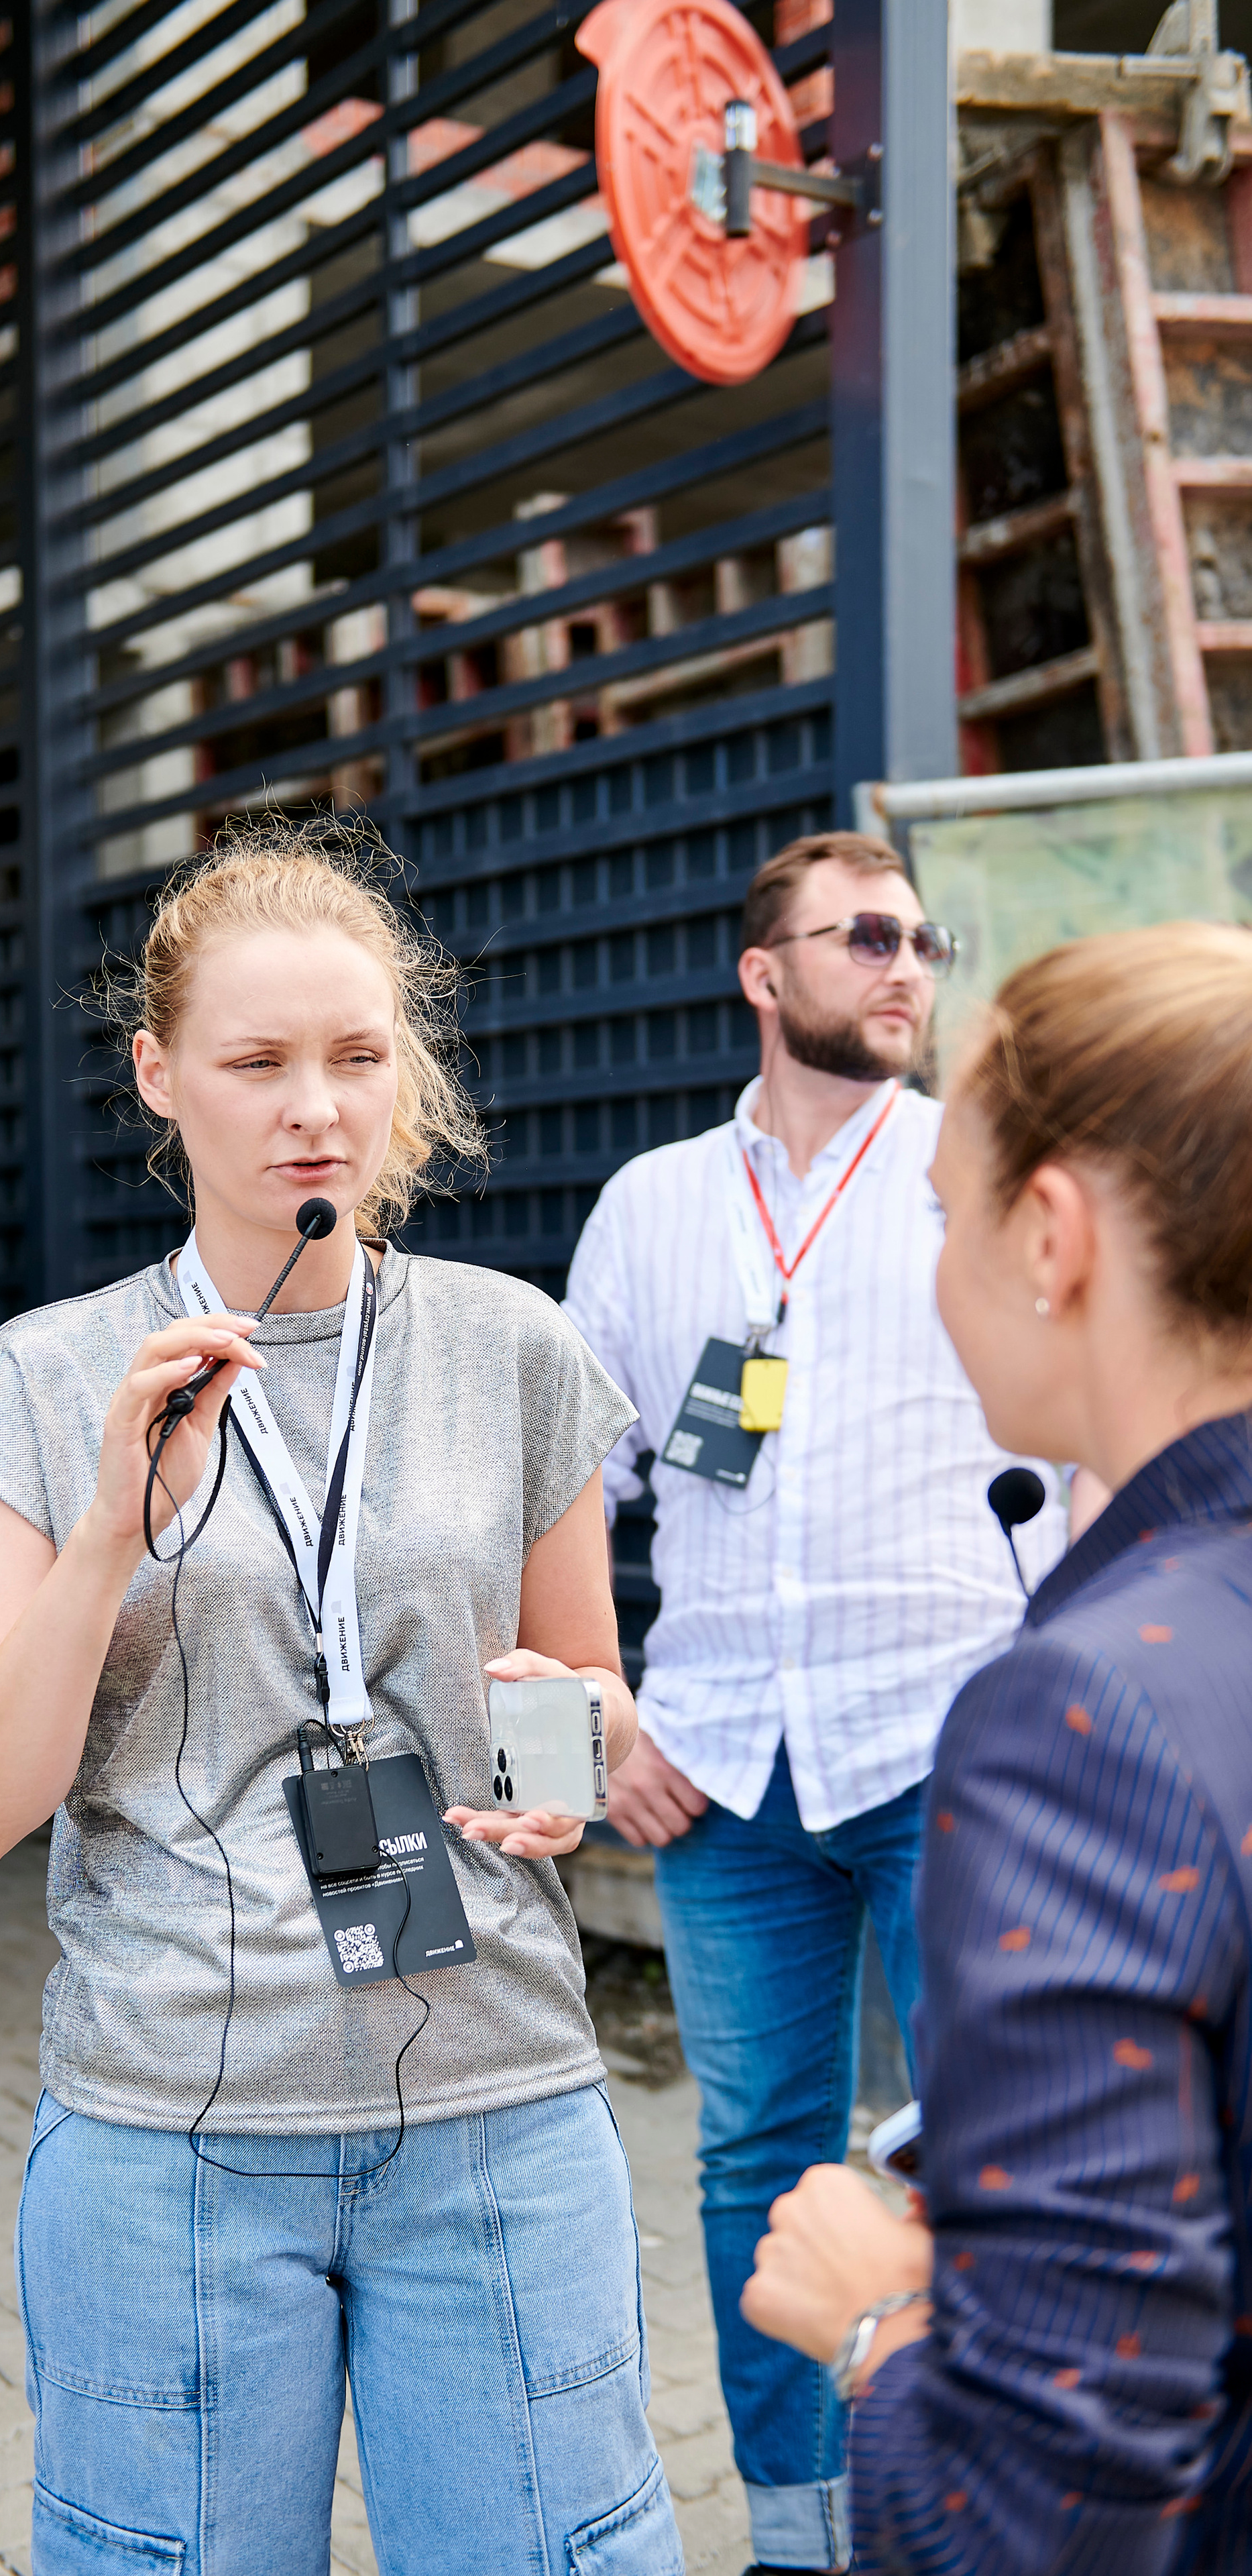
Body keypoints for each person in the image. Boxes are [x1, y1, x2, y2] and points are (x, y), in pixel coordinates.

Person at [0, 822, 683, 2576]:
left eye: (355, 1056)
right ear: (157, 1075)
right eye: (257, 1064)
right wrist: (113, 1525)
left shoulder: (512, 1348)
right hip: (173, 2126)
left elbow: (586, 1694)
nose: (312, 1106)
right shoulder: (43, 1378)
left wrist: (566, 1762)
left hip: (496, 2104)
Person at [562, 830, 1066, 2574]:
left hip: (957, 1752)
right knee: (751, 2168)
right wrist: (585, 1737)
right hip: (715, 1768)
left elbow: (1079, 1461)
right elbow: (553, 1500)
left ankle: (993, 2512)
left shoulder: (984, 1177)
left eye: (923, 938)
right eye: (864, 937)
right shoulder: (649, 1208)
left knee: (998, 2159)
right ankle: (799, 2533)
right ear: (764, 976)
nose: (906, 964)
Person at [742, 920, 1252, 2572]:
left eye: (946, 1217)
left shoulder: (1083, 1717)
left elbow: (1038, 2519)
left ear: (1051, 1236)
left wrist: (875, 2322)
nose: (936, 1270)